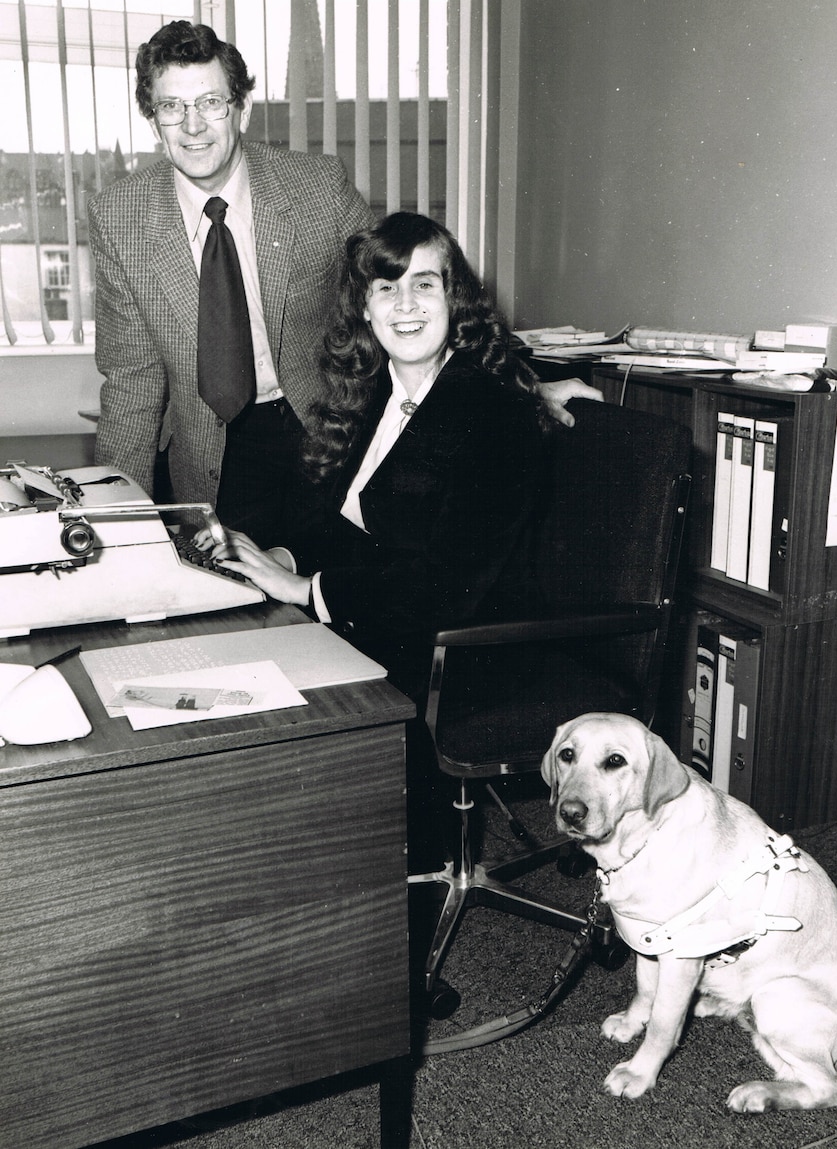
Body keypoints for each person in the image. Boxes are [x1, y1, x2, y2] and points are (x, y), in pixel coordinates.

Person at [196, 212, 547, 863]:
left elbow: (448, 583)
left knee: (268, 714)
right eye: (386, 286)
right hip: (389, 619)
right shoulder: (379, 392)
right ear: (364, 305)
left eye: (425, 284)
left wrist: (307, 589)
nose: (405, 304)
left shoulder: (490, 412)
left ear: (455, 299)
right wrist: (281, 555)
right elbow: (340, 520)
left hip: (460, 654)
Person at [88, 20, 375, 548]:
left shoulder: (317, 184)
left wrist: (513, 385)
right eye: (172, 106)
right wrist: (115, 529)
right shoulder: (119, 217)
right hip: (212, 446)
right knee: (238, 607)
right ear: (153, 119)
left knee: (336, 591)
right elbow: (132, 380)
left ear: (240, 105)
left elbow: (401, 289)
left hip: (326, 425)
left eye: (211, 103)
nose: (193, 126)